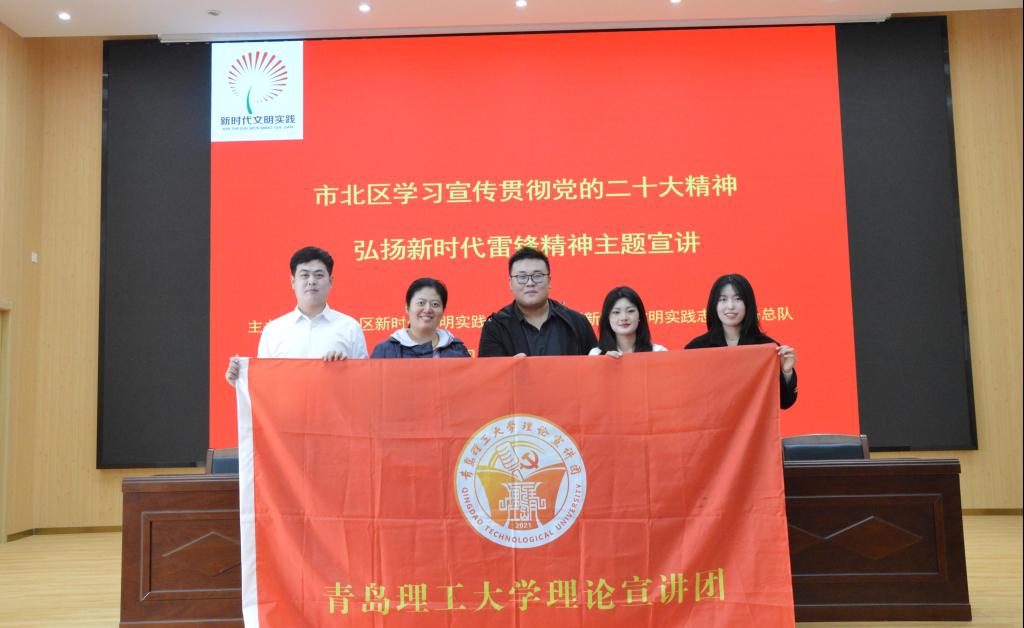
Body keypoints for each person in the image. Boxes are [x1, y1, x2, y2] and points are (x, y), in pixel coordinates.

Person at [225, 246, 367, 384]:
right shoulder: (273, 330)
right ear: (293, 282)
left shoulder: (350, 327)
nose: (311, 281)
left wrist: (347, 368)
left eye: (319, 275)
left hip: (335, 401)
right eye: (304, 275)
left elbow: (365, 382)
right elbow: (264, 384)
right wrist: (240, 380)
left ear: (331, 281)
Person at [684, 274, 798, 408]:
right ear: (714, 305)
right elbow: (688, 399)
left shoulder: (766, 347)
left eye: (738, 299)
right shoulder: (696, 348)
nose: (730, 306)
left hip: (755, 422)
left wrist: (786, 372)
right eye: (723, 299)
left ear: (748, 304)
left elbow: (785, 402)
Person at [478, 246, 597, 357]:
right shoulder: (496, 327)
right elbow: (490, 371)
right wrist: (511, 369)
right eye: (522, 277)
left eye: (537, 276)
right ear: (510, 283)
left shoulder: (577, 323)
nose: (530, 283)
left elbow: (595, 368)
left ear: (549, 281)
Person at [371, 278, 470, 358]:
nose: (427, 309)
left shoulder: (458, 350)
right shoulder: (385, 351)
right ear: (407, 308)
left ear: (443, 310)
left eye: (435, 304)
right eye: (421, 303)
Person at [589, 286, 668, 356]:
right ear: (608, 318)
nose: (624, 317)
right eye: (616, 312)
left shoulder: (658, 352)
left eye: (630, 311)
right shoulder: (596, 354)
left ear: (640, 315)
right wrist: (604, 363)